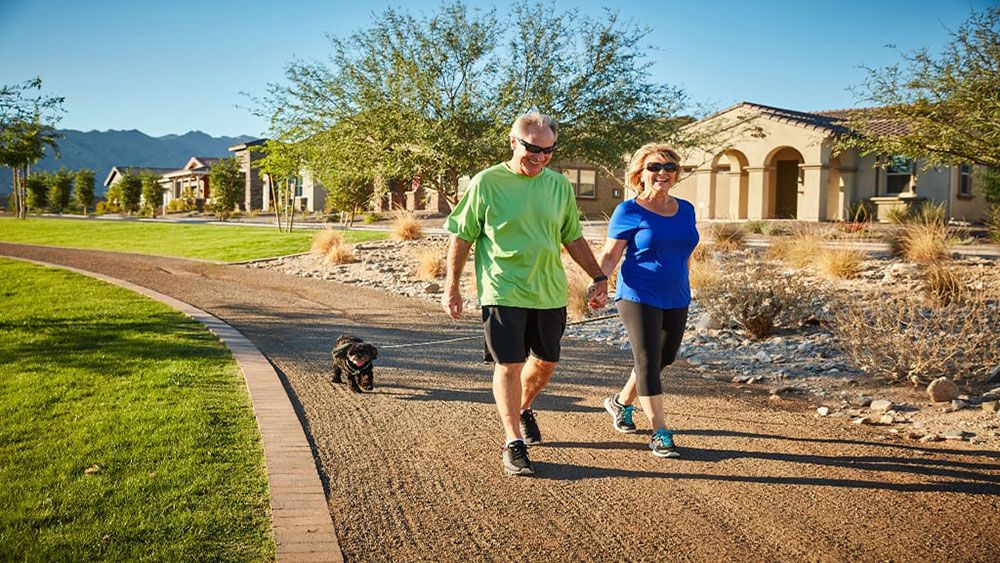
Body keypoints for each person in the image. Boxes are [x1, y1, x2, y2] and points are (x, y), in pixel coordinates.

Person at [442, 112, 607, 476]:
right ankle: (513, 440)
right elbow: (462, 236)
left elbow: (572, 237)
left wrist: (598, 275)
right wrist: (451, 286)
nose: (541, 157)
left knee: (546, 362)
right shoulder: (486, 183)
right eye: (533, 148)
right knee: (509, 364)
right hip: (502, 288)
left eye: (549, 151)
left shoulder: (559, 186)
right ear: (513, 142)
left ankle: (523, 406)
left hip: (548, 291)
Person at [595, 143, 698, 458]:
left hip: (676, 294)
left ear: (676, 174)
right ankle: (660, 432)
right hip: (638, 293)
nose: (662, 173)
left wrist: (684, 282)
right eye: (654, 167)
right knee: (648, 360)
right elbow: (611, 254)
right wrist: (599, 282)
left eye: (669, 167)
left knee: (664, 357)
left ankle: (620, 403)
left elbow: (685, 251)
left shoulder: (686, 209)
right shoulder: (629, 211)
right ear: (640, 173)